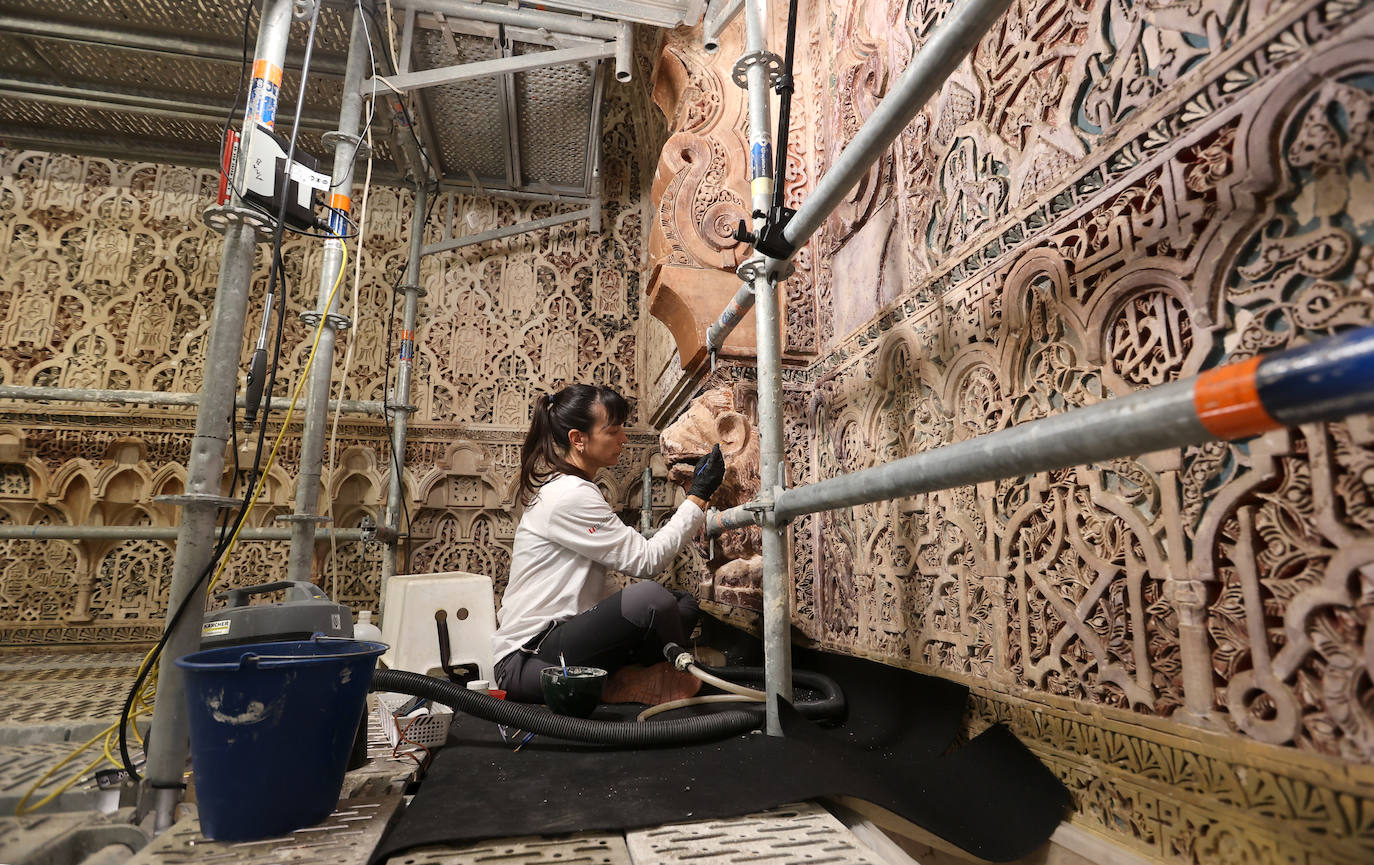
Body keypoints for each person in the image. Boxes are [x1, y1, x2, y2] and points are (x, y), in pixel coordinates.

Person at [492, 384, 725, 704]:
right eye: (613, 431)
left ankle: (633, 678)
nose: (624, 439)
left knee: (681, 604)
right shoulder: (569, 495)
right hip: (527, 661)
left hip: (564, 640)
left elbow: (599, 593)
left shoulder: (572, 488)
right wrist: (698, 495)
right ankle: (638, 679)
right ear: (578, 439)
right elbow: (647, 561)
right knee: (652, 598)